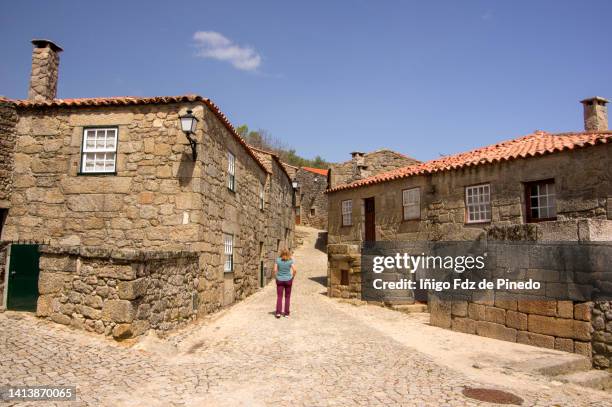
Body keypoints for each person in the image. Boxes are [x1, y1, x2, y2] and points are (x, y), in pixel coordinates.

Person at [273, 248, 296, 318]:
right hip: (288, 280)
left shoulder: (278, 260)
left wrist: (276, 277)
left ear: (281, 253)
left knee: (279, 297)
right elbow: (295, 270)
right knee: (287, 297)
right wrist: (292, 277)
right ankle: (286, 313)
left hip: (279, 280)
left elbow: (274, 270)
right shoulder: (290, 261)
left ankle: (278, 313)